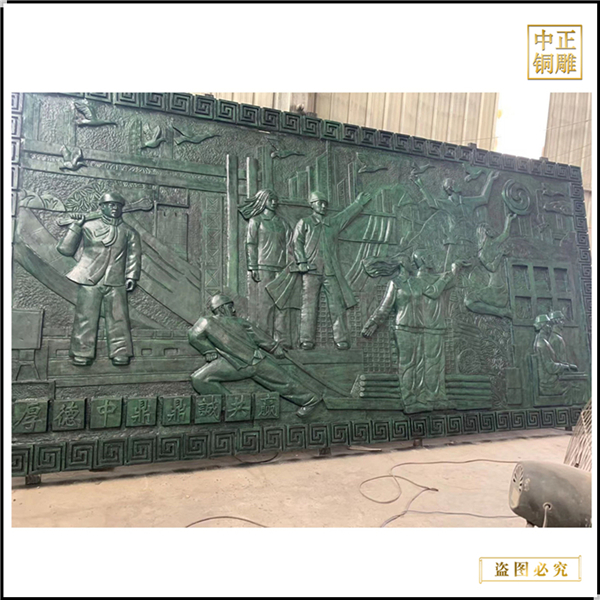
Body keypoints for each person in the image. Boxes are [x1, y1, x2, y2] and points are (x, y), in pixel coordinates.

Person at [362, 251, 467, 413]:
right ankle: (410, 400)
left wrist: (453, 271)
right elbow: (385, 307)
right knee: (407, 365)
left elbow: (434, 291)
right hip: (403, 328)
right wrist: (373, 323)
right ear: (402, 264)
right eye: (408, 261)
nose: (412, 263)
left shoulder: (416, 282)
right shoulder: (395, 283)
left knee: (423, 365)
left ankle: (427, 398)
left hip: (420, 328)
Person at [188, 294, 323, 417]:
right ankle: (233, 406)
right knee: (200, 378)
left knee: (283, 382)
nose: (234, 310)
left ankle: (310, 400)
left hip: (254, 360)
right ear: (221, 308)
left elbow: (259, 337)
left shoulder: (241, 322)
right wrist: (208, 351)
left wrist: (275, 348)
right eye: (230, 306)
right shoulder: (207, 322)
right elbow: (193, 335)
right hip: (232, 363)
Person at [57, 192, 141, 366]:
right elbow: (65, 249)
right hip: (89, 279)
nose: (114, 208)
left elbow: (134, 256)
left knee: (119, 319)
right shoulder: (88, 226)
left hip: (116, 281)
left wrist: (131, 276)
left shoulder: (129, 232)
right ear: (101, 207)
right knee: (85, 317)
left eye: (118, 205)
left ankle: (121, 353)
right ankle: (81, 352)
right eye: (110, 204)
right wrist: (75, 227)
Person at [292, 190, 372, 350]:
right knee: (309, 306)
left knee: (337, 306)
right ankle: (306, 339)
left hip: (330, 271)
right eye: (319, 203)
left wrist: (358, 203)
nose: (323, 206)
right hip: (311, 270)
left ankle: (341, 338)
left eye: (325, 203)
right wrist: (302, 261)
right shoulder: (305, 222)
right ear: (312, 204)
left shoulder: (332, 223)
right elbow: (297, 242)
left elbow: (346, 215)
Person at [411, 169, 500, 270]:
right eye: (455, 183)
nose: (459, 185)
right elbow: (432, 202)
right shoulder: (447, 204)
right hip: (454, 241)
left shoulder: (467, 202)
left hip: (470, 240)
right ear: (451, 188)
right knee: (448, 269)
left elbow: (484, 199)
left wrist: (491, 180)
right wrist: (420, 184)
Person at [240, 189, 293, 348]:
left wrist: (290, 265)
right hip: (263, 267)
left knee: (282, 304)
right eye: (271, 199)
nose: (274, 202)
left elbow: (290, 245)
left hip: (281, 268)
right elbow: (251, 244)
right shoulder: (256, 221)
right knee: (265, 304)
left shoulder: (282, 223)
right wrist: (253, 266)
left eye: (275, 199)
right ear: (263, 201)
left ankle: (282, 340)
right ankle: (264, 339)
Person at [464, 212, 516, 318]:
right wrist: (500, 254)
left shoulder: (494, 245)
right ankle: (500, 312)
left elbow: (505, 235)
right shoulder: (482, 253)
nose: (492, 230)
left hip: (498, 289)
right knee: (468, 300)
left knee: (469, 300)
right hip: (496, 288)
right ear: (485, 233)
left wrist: (508, 221)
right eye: (488, 229)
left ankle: (500, 311)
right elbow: (492, 268)